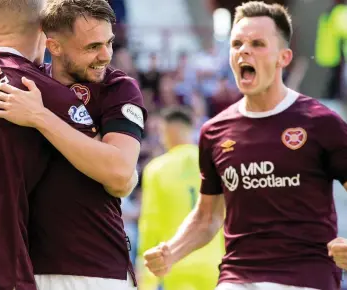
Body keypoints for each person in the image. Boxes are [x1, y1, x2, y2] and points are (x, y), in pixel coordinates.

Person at [0, 1, 146, 289]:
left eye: (110, 43)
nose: (105, 55)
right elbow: (122, 178)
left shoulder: (117, 87)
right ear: (50, 40)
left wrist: (40, 116)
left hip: (89, 265)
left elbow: (120, 175)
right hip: (19, 266)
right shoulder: (33, 85)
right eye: (92, 46)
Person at [143, 2, 347, 290]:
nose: (243, 50)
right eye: (236, 43)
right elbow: (207, 217)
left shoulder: (322, 123)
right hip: (238, 279)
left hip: (307, 278)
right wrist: (172, 252)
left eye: (257, 43)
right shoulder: (214, 131)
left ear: (284, 57)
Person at [138, 107, 225, 290]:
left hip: (175, 263)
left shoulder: (156, 169)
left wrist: (147, 277)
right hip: (216, 263)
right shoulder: (216, 163)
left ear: (167, 131)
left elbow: (150, 223)